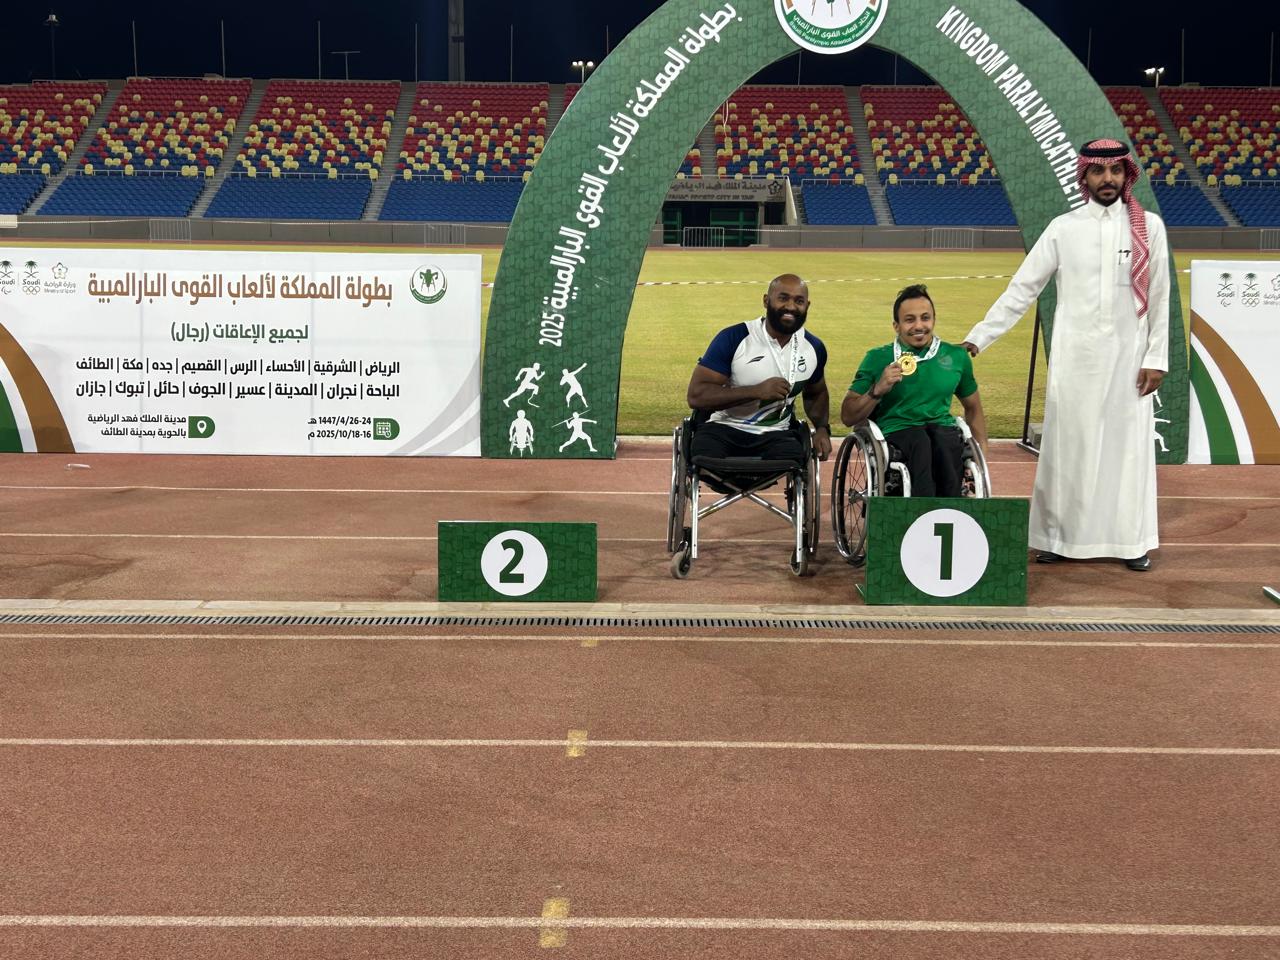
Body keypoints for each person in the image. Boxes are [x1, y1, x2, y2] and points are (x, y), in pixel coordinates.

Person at [961, 138, 1170, 571]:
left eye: (1115, 170)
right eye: (1098, 171)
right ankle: (1057, 537)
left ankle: (1130, 541)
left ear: (1126, 174)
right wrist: (978, 338)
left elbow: (1160, 297)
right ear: (1085, 176)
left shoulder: (1148, 227)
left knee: (1126, 451)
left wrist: (1156, 357)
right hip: (1075, 359)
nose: (1108, 179)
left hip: (1130, 361)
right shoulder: (1064, 228)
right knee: (1068, 448)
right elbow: (1023, 289)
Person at [842, 283, 987, 496]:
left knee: (943, 442)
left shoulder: (956, 357)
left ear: (934, 320)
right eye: (910, 320)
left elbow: (973, 408)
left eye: (925, 318)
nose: (919, 326)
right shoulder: (878, 358)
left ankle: (950, 510)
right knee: (920, 442)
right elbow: (848, 415)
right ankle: (923, 511)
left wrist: (982, 457)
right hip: (897, 431)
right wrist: (877, 390)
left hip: (941, 429)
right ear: (896, 325)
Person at [686, 273, 831, 463]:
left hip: (778, 434)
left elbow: (816, 393)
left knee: (794, 461)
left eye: (799, 301)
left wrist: (822, 428)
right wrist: (755, 391)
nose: (790, 306)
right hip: (724, 428)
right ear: (766, 300)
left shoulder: (814, 348)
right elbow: (696, 395)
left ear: (807, 306)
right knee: (704, 459)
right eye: (783, 298)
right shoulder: (734, 338)